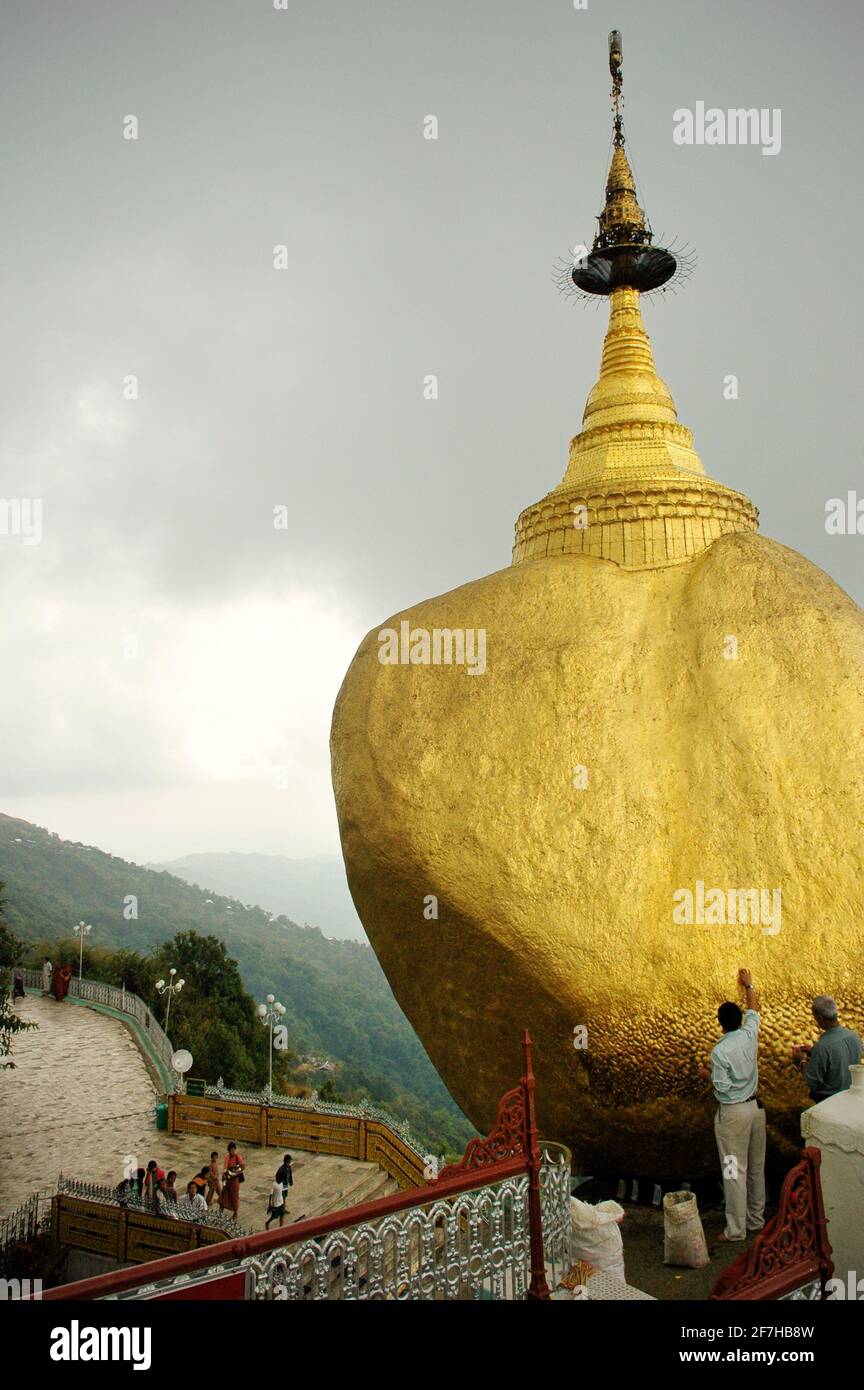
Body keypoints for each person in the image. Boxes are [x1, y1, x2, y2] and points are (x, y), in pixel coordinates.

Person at [698, 967, 765, 1244]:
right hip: (755, 1110)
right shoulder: (749, 1035)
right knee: (756, 1166)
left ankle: (735, 1230)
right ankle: (756, 1219)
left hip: (733, 1115)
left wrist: (706, 1073)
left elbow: (722, 1087)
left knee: (732, 1169)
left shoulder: (720, 1051)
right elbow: (755, 1012)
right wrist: (749, 986)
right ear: (739, 1020)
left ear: (720, 1023)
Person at [791, 996, 863, 1103]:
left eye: (815, 1018)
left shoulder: (823, 1047)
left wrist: (801, 1061)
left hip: (830, 1103)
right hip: (851, 1099)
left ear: (820, 1018)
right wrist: (814, 1053)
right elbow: (840, 1058)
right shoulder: (854, 1037)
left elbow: (812, 1082)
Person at [218, 1142, 245, 1219]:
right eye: (231, 1150)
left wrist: (237, 1171)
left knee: (234, 1196)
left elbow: (243, 1166)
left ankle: (235, 1212)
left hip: (234, 1180)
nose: (232, 1151)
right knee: (224, 1194)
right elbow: (225, 1167)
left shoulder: (237, 1157)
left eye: (233, 1150)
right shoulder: (227, 1157)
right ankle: (221, 1209)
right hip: (227, 1178)